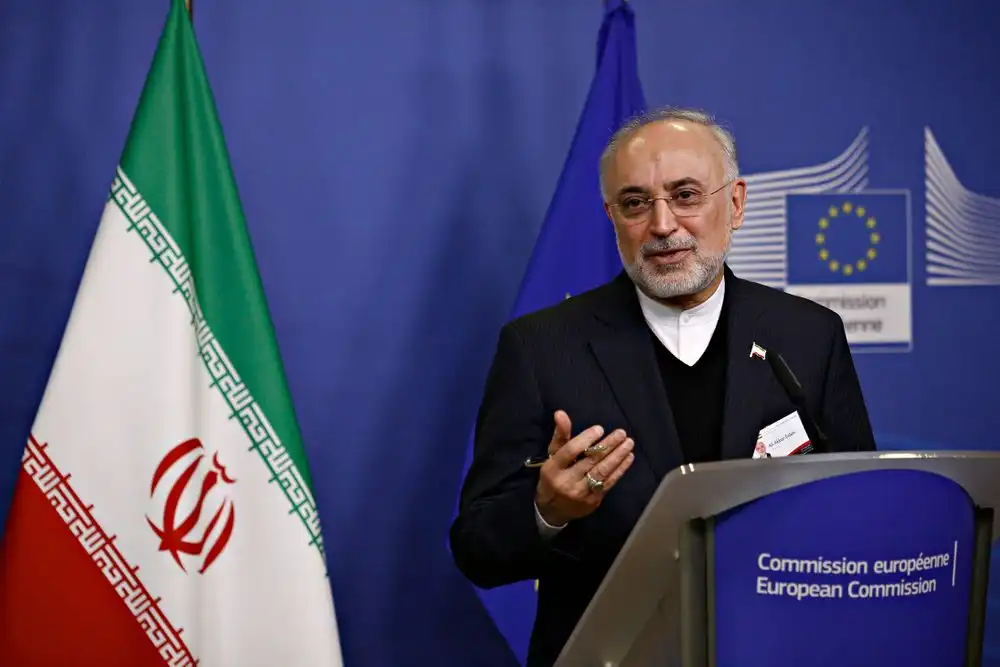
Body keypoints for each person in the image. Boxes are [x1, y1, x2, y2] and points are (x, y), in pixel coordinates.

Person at [449, 107, 877, 667]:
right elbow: (477, 547)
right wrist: (546, 509)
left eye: (686, 195)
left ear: (737, 203)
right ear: (611, 216)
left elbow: (865, 511)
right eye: (635, 203)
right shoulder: (540, 348)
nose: (663, 225)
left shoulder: (808, 335)